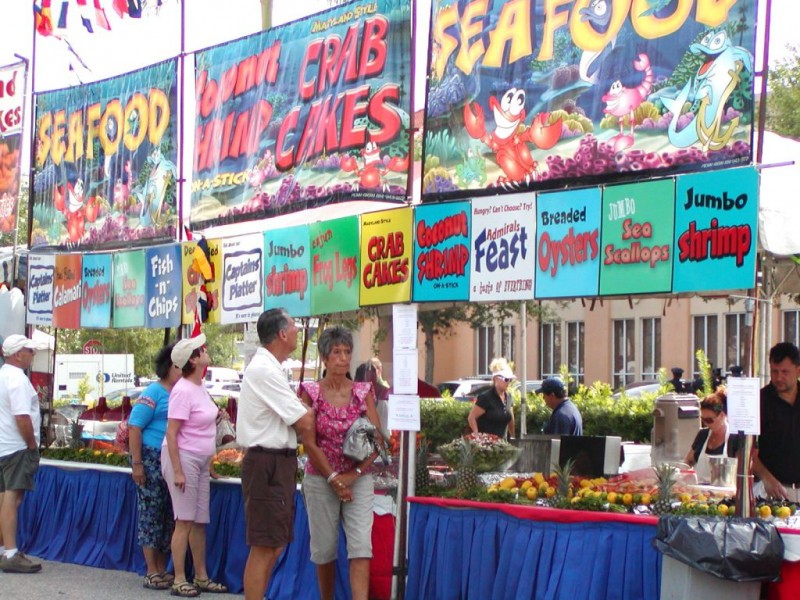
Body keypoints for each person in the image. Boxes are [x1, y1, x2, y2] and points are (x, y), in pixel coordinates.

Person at [299, 326, 384, 600]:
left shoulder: (362, 391)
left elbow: (378, 440)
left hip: (358, 479)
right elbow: (308, 443)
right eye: (337, 352)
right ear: (324, 357)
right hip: (320, 478)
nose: (343, 358)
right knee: (324, 549)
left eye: (347, 352)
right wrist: (334, 478)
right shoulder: (310, 392)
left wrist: (354, 474)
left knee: (361, 546)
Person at [236, 309, 315, 600]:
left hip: (276, 461)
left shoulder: (272, 368)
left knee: (275, 544)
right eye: (294, 325)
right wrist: (317, 409)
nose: (297, 330)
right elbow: (304, 421)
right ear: (282, 333)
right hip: (266, 461)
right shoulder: (265, 370)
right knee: (265, 546)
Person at [162, 334, 228, 597]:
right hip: (184, 458)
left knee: (199, 520)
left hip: (199, 459)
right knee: (184, 520)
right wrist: (177, 469)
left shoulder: (198, 387)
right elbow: (172, 433)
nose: (205, 350)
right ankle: (179, 578)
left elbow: (199, 428)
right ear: (193, 359)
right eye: (201, 350)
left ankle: (201, 576)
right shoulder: (183, 390)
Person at [127, 343, 181, 590]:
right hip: (150, 457)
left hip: (171, 458)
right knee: (151, 514)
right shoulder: (154, 392)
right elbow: (134, 427)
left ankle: (161, 567)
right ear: (170, 367)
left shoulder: (180, 392)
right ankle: (151, 570)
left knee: (168, 514)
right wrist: (137, 464)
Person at [0, 335, 42, 574]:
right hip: (16, 446)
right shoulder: (17, 379)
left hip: (4, 444)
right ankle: (11, 552)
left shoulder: (3, 375)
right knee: (12, 498)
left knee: (4, 495)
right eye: (29, 350)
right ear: (18, 354)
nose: (32, 354)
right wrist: (32, 445)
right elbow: (22, 417)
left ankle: (6, 549)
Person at [753, 342, 800, 501]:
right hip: (771, 493)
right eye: (774, 371)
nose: (779, 377)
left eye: (785, 372)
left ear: (798, 370)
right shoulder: (759, 401)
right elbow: (743, 450)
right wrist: (767, 478)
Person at [683, 386, 739, 483]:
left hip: (724, 493)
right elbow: (689, 461)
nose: (706, 424)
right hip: (700, 493)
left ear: (722, 415)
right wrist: (682, 473)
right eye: (703, 419)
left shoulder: (734, 437)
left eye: (709, 420)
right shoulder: (703, 434)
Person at [467, 359, 516, 439]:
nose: (508, 382)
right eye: (506, 379)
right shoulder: (486, 397)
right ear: (496, 378)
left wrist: (513, 437)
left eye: (510, 380)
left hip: (502, 444)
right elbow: (471, 418)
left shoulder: (509, 397)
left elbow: (511, 419)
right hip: (486, 445)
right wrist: (477, 436)